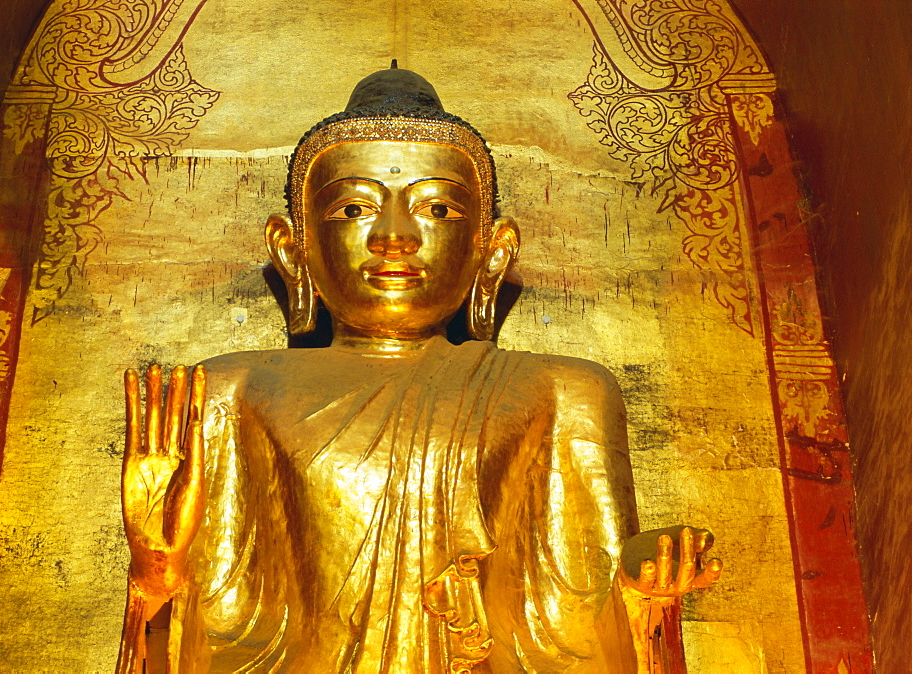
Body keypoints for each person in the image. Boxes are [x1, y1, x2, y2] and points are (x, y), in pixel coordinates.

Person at [117, 64, 721, 673]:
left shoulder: (565, 390)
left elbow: (580, 611)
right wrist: (156, 571)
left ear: (493, 251)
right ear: (292, 248)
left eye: (436, 209)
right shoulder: (230, 390)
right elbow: (222, 628)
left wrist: (642, 583)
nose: (394, 237)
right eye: (353, 208)